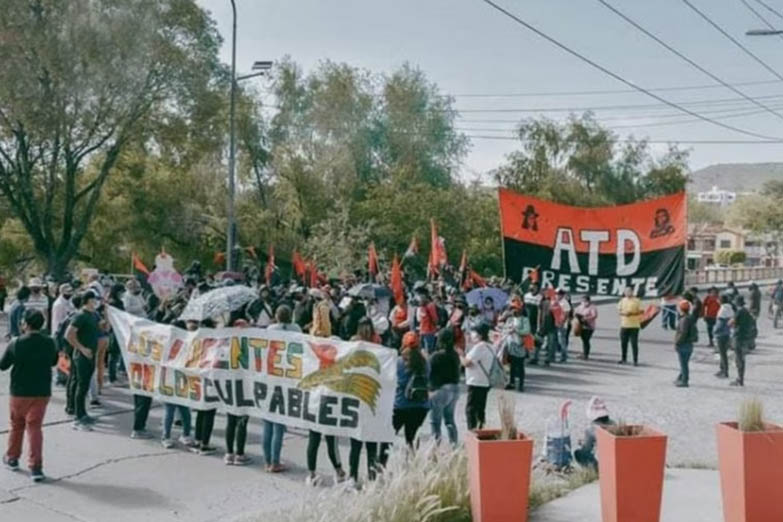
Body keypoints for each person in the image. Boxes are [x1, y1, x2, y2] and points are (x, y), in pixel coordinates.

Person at [0, 309, 58, 482]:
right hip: (41, 391)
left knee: (17, 425)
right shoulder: (50, 342)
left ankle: (12, 458)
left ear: (25, 324)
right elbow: (54, 361)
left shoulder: (16, 342)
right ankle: (36, 467)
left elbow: (3, 365)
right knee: (35, 428)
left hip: (20, 391)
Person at [264, 305, 300, 472]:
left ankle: (267, 460)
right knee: (279, 423)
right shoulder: (296, 329)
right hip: (286, 377)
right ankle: (275, 461)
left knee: (268, 421)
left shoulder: (270, 329)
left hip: (269, 375)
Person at [348, 318, 382, 488]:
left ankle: (352, 477)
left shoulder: (354, 342)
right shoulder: (377, 343)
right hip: (372, 397)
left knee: (356, 442)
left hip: (357, 396)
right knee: (371, 443)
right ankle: (372, 476)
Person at [65, 291, 100, 431]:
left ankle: (83, 412)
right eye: (93, 300)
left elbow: (101, 328)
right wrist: (82, 348)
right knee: (81, 385)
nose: (95, 302)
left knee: (84, 385)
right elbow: (69, 335)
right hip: (82, 356)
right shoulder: (80, 316)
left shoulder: (92, 315)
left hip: (91, 354)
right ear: (88, 301)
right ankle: (78, 415)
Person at [393, 332, 429, 447]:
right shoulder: (425, 363)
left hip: (400, 405)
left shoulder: (398, 362)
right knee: (411, 439)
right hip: (420, 405)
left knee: (388, 438)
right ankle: (412, 463)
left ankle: (381, 462)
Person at [461, 322, 495, 431]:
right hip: (486, 381)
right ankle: (481, 430)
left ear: (479, 335)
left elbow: (467, 363)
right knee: (480, 409)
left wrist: (460, 355)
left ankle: (472, 432)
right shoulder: (490, 346)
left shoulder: (479, 347)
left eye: (473, 332)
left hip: (476, 382)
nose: (471, 334)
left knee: (471, 409)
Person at [191, 319, 218, 455]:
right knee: (209, 412)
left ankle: (197, 440)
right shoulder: (214, 341)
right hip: (209, 378)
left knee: (201, 411)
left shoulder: (197, 339)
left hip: (198, 377)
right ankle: (204, 444)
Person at [429, 327, 460, 446]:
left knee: (435, 422)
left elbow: (428, 371)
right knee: (450, 420)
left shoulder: (436, 356)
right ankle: (454, 446)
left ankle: (435, 448)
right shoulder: (455, 354)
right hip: (454, 389)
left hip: (440, 390)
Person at [573, 397, 615, 470]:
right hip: (614, 459)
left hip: (602, 462)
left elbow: (587, 448)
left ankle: (592, 469)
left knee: (578, 453)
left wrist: (583, 443)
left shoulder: (591, 429)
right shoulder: (613, 424)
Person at [500, 298, 530, 391]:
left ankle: (521, 384)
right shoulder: (510, 319)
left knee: (520, 365)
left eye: (515, 308)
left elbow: (527, 331)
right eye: (512, 308)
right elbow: (505, 328)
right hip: (510, 344)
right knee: (512, 365)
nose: (513, 310)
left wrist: (516, 330)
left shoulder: (524, 320)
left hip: (520, 345)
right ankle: (511, 382)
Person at [731, 296, 754, 387]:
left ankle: (740, 379)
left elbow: (732, 323)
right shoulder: (746, 312)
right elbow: (751, 322)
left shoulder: (739, 312)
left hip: (738, 337)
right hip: (745, 337)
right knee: (742, 359)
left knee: (739, 359)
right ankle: (740, 378)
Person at [617, 287, 643, 366]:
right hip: (624, 325)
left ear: (632, 292)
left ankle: (635, 360)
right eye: (626, 292)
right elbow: (619, 310)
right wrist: (623, 313)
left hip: (634, 325)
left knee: (634, 344)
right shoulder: (622, 300)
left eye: (629, 291)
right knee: (623, 343)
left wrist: (632, 313)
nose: (627, 293)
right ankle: (623, 358)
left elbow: (641, 311)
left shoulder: (637, 300)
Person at [674, 300, 697, 388]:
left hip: (683, 344)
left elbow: (682, 333)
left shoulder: (684, 320)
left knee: (683, 364)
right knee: (685, 363)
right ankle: (681, 377)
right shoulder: (691, 318)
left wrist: (677, 342)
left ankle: (684, 380)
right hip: (689, 343)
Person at [714, 294, 734, 379]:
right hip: (727, 333)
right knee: (724, 353)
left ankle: (725, 371)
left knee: (722, 354)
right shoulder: (730, 309)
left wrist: (715, 332)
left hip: (721, 334)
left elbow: (719, 324)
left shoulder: (722, 310)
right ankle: (722, 369)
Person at [414, 288, 439, 354]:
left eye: (420, 296)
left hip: (429, 332)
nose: (419, 298)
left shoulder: (430, 306)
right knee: (422, 351)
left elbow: (435, 319)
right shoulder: (421, 307)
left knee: (429, 352)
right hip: (422, 332)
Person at [574, 295, 598, 360]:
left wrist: (586, 318)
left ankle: (586, 354)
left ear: (589, 301)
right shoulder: (580, 306)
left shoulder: (592, 307)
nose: (584, 302)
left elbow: (594, 315)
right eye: (582, 301)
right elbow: (576, 312)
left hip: (589, 326)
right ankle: (584, 353)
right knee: (583, 340)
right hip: (581, 326)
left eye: (585, 301)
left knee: (586, 340)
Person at [556, 289, 571, 362]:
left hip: (562, 325)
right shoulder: (557, 301)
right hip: (555, 323)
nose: (557, 295)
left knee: (562, 341)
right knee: (557, 341)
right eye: (557, 294)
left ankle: (564, 356)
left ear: (562, 295)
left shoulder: (565, 303)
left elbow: (566, 314)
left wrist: (561, 323)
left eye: (558, 294)